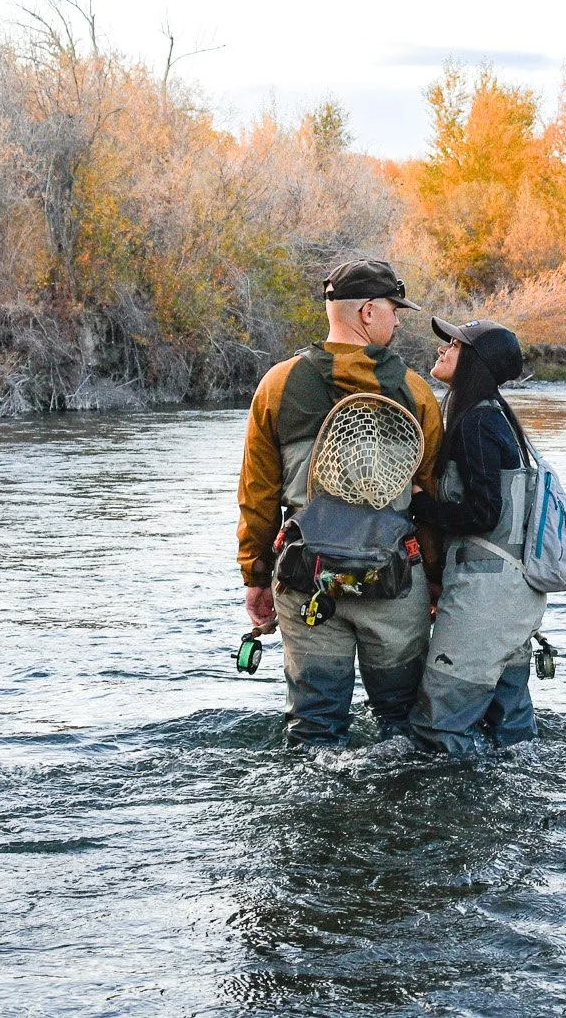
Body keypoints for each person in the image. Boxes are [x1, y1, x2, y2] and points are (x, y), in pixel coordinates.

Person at [236, 259, 443, 747]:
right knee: (400, 725)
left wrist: (256, 575)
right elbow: (431, 496)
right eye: (395, 310)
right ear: (369, 312)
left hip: (306, 579)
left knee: (313, 729)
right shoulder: (416, 392)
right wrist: (434, 578)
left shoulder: (278, 384)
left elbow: (257, 494)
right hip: (394, 582)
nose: (397, 320)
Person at [409, 316, 550, 758]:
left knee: (439, 725)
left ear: (473, 360)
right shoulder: (498, 419)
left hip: (487, 598)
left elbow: (483, 514)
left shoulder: (475, 424)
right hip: (514, 594)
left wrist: (418, 503)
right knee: (510, 729)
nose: (442, 349)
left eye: (453, 343)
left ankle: (456, 818)